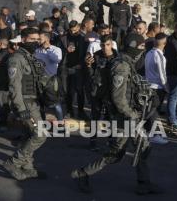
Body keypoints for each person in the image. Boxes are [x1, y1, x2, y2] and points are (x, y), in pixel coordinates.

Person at [72, 33, 162, 195]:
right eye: (141, 46)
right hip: (124, 117)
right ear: (133, 46)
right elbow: (118, 97)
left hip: (129, 116)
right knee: (116, 153)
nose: (142, 49)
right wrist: (131, 114)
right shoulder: (121, 65)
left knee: (143, 146)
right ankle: (82, 173)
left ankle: (144, 182)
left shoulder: (126, 62)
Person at [3, 27, 47, 181]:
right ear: (23, 40)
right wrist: (21, 108)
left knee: (29, 135)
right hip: (26, 104)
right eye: (32, 40)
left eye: (37, 39)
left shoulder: (30, 57)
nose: (35, 42)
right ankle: (13, 163)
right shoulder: (16, 59)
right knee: (40, 134)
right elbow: (14, 86)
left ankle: (27, 168)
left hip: (34, 101)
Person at [85, 34, 117, 150]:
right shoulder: (97, 55)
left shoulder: (117, 57)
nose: (105, 47)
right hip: (97, 91)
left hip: (110, 92)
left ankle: (110, 141)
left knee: (110, 117)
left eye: (107, 45)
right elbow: (91, 74)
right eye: (102, 45)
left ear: (111, 44)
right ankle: (92, 141)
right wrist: (88, 65)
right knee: (95, 116)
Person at [144, 33, 169, 144]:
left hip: (148, 86)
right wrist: (166, 87)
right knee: (154, 112)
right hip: (156, 87)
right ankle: (155, 135)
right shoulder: (159, 55)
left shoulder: (149, 53)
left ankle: (148, 132)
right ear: (165, 44)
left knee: (150, 111)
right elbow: (162, 75)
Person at [58, 20, 86, 119]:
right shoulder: (63, 38)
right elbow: (59, 52)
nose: (73, 32)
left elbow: (85, 53)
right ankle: (69, 111)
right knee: (66, 91)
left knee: (79, 90)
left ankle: (81, 111)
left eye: (75, 30)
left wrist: (81, 64)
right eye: (71, 30)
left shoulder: (82, 38)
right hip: (65, 67)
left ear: (78, 27)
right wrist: (66, 51)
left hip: (77, 67)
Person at [35, 31, 63, 121]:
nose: (38, 40)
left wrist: (47, 49)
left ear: (47, 39)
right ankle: (42, 123)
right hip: (39, 80)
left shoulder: (56, 49)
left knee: (55, 104)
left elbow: (57, 60)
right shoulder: (37, 50)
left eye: (40, 38)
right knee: (39, 103)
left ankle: (60, 123)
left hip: (51, 80)